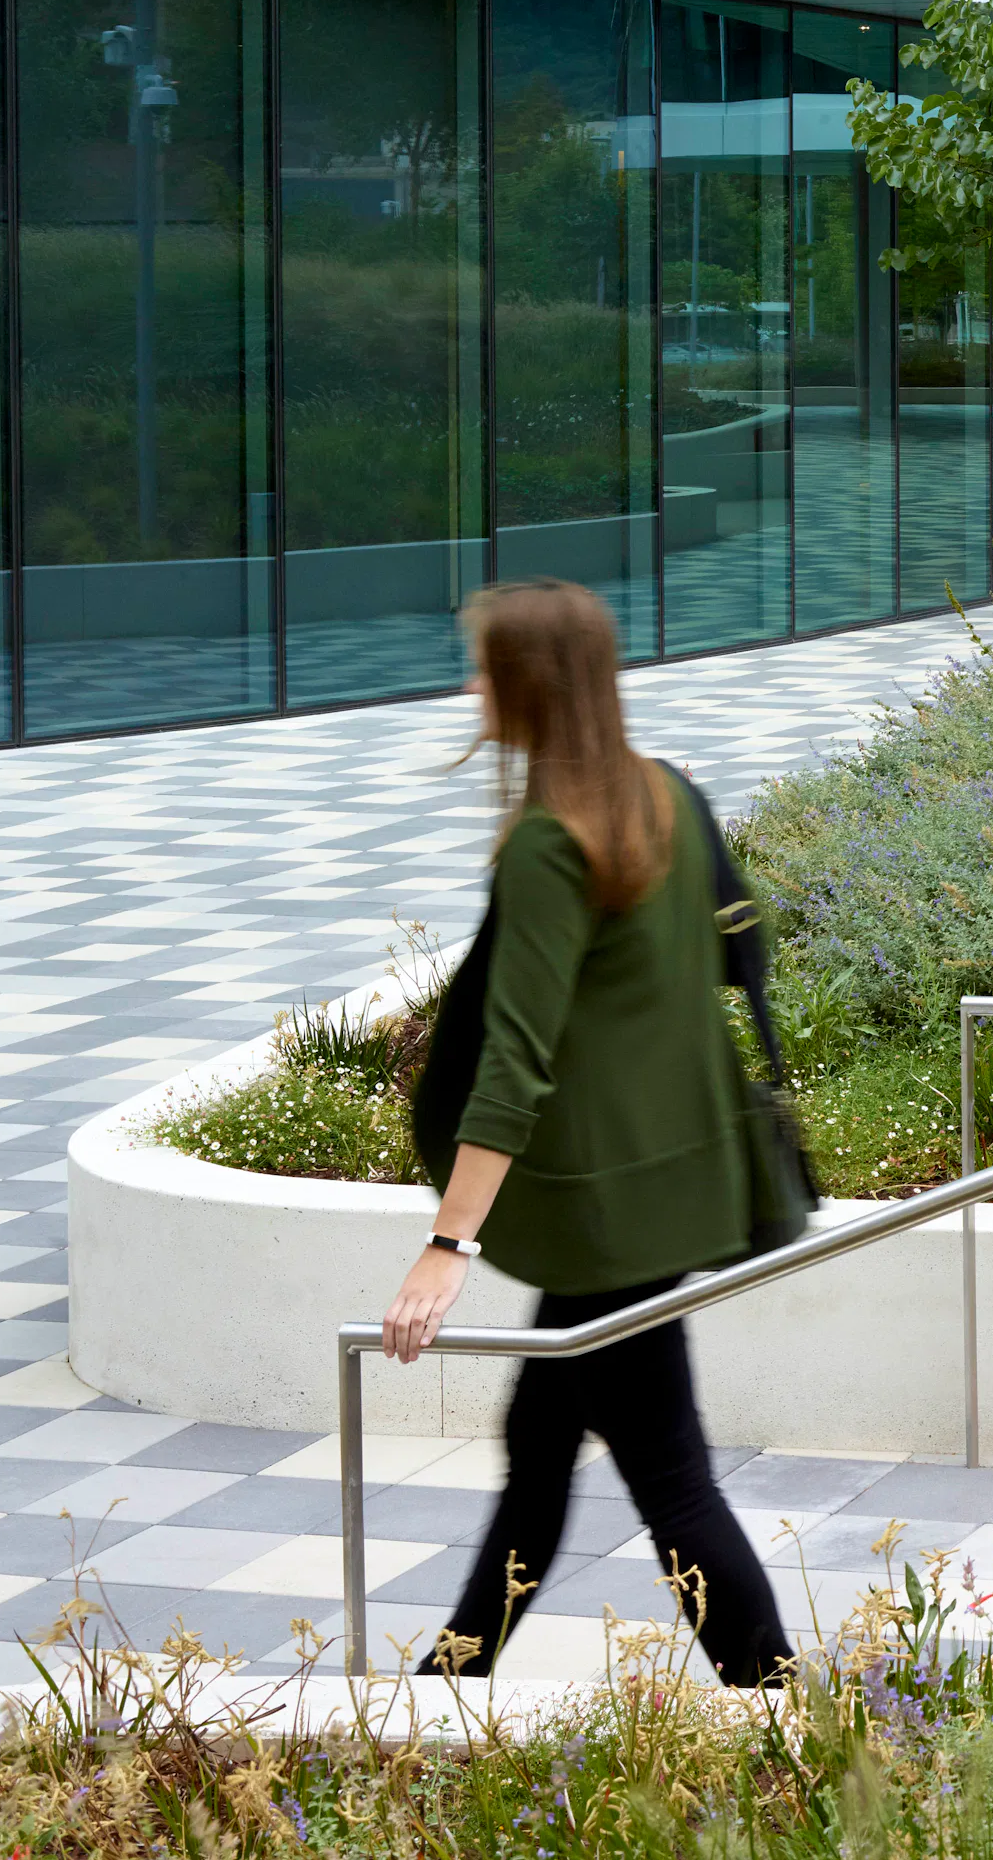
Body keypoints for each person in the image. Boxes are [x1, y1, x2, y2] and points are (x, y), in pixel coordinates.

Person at [381, 580, 795, 1687]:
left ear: (526, 687)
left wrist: (449, 1241)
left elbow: (516, 1060)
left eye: (484, 668)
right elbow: (712, 969)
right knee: (538, 1450)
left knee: (671, 1478)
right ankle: (447, 1687)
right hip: (668, 1186)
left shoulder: (549, 846)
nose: (470, 688)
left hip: (605, 1218)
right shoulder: (666, 797)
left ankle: (795, 1713)